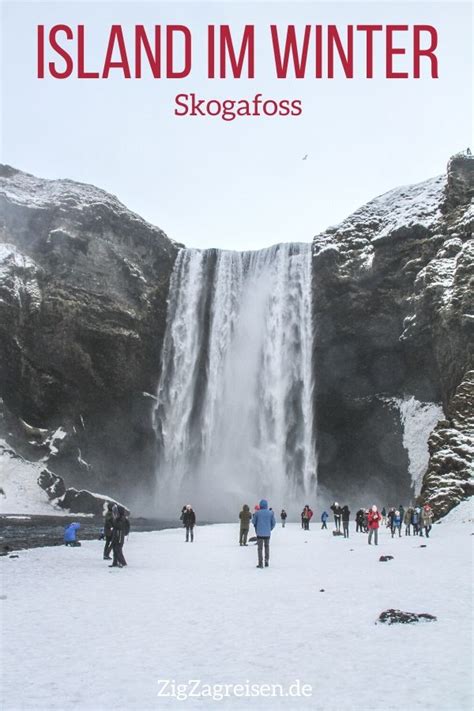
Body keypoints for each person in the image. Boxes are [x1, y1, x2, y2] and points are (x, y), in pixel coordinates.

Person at [252, 499, 276, 568]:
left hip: (259, 533)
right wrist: (270, 528)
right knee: (267, 547)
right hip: (267, 533)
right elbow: (274, 523)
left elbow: (253, 522)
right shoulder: (270, 513)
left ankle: (260, 563)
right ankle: (266, 561)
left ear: (260, 505)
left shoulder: (257, 513)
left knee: (260, 548)